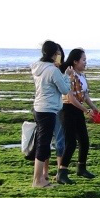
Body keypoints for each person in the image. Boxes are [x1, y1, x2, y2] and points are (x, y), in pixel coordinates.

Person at [29, 40, 71, 189]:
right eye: (58, 53)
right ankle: (38, 181)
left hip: (38, 108)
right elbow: (65, 90)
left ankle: (40, 177)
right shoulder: (53, 71)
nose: (60, 56)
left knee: (42, 143)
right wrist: (67, 75)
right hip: (48, 110)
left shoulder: (38, 68)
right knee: (43, 145)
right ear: (54, 54)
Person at [53, 48, 94, 182]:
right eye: (83, 60)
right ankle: (62, 172)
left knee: (84, 140)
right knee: (70, 142)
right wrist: (86, 110)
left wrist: (94, 108)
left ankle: (81, 168)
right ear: (75, 61)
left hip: (78, 109)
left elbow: (85, 95)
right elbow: (70, 98)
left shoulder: (82, 75)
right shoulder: (70, 75)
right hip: (67, 110)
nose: (85, 62)